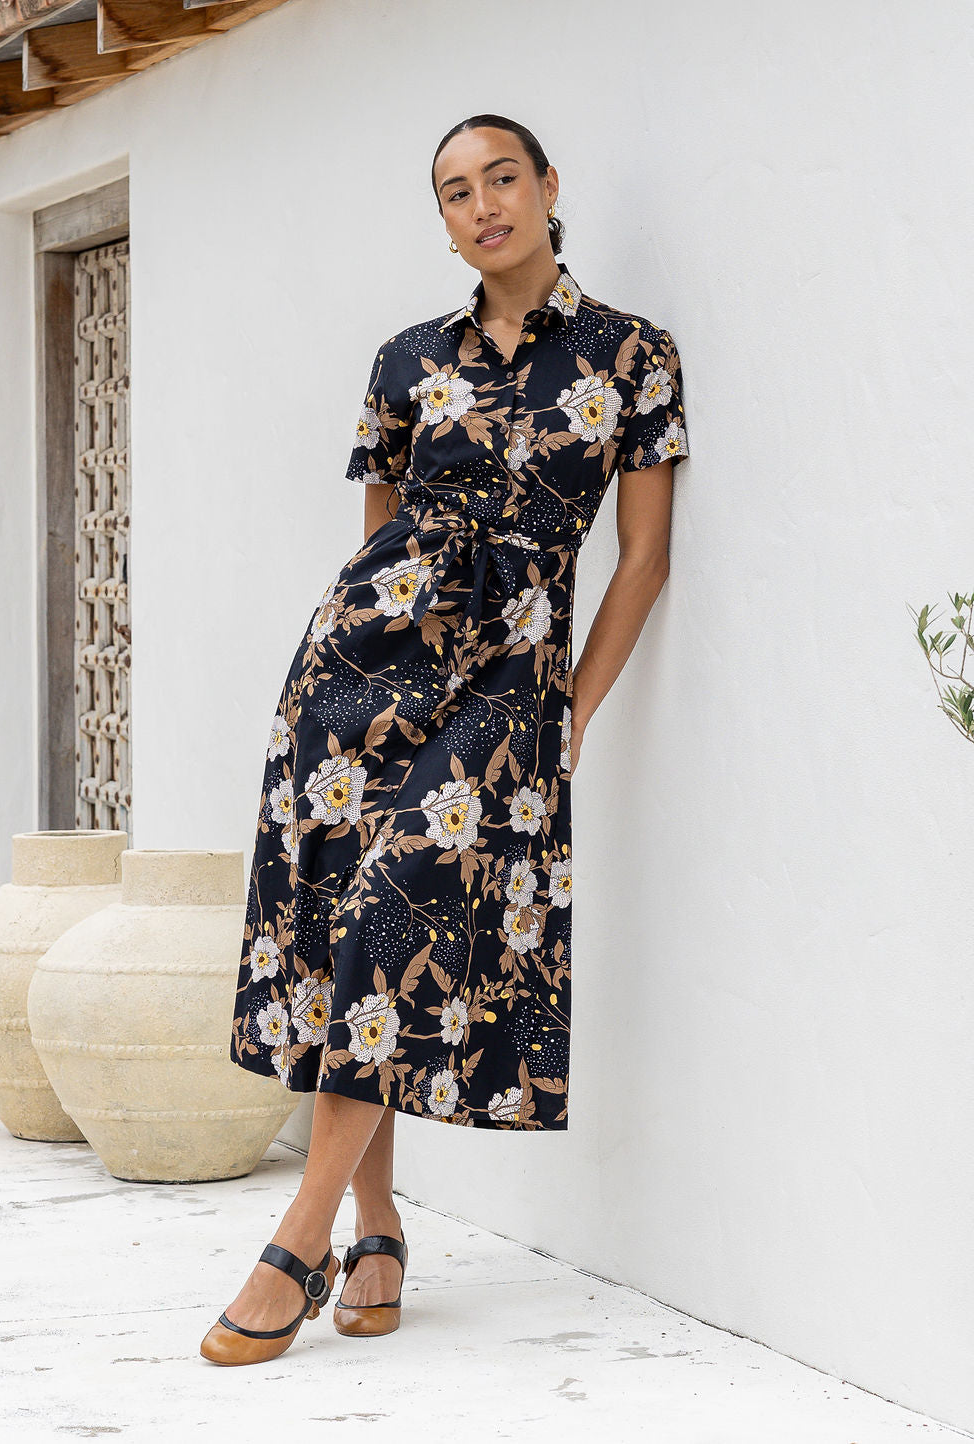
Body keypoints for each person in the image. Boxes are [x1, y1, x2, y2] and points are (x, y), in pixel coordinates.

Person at [200, 112, 689, 1366]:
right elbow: (382, 536)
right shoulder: (406, 357)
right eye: (456, 192)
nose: (484, 207)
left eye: (502, 180)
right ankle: (375, 1223)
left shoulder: (634, 354)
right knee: (344, 924)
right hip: (357, 673)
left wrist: (566, 710)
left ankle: (297, 1235)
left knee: (389, 915)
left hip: (509, 688)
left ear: (546, 187)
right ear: (446, 218)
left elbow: (641, 558)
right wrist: (352, 668)